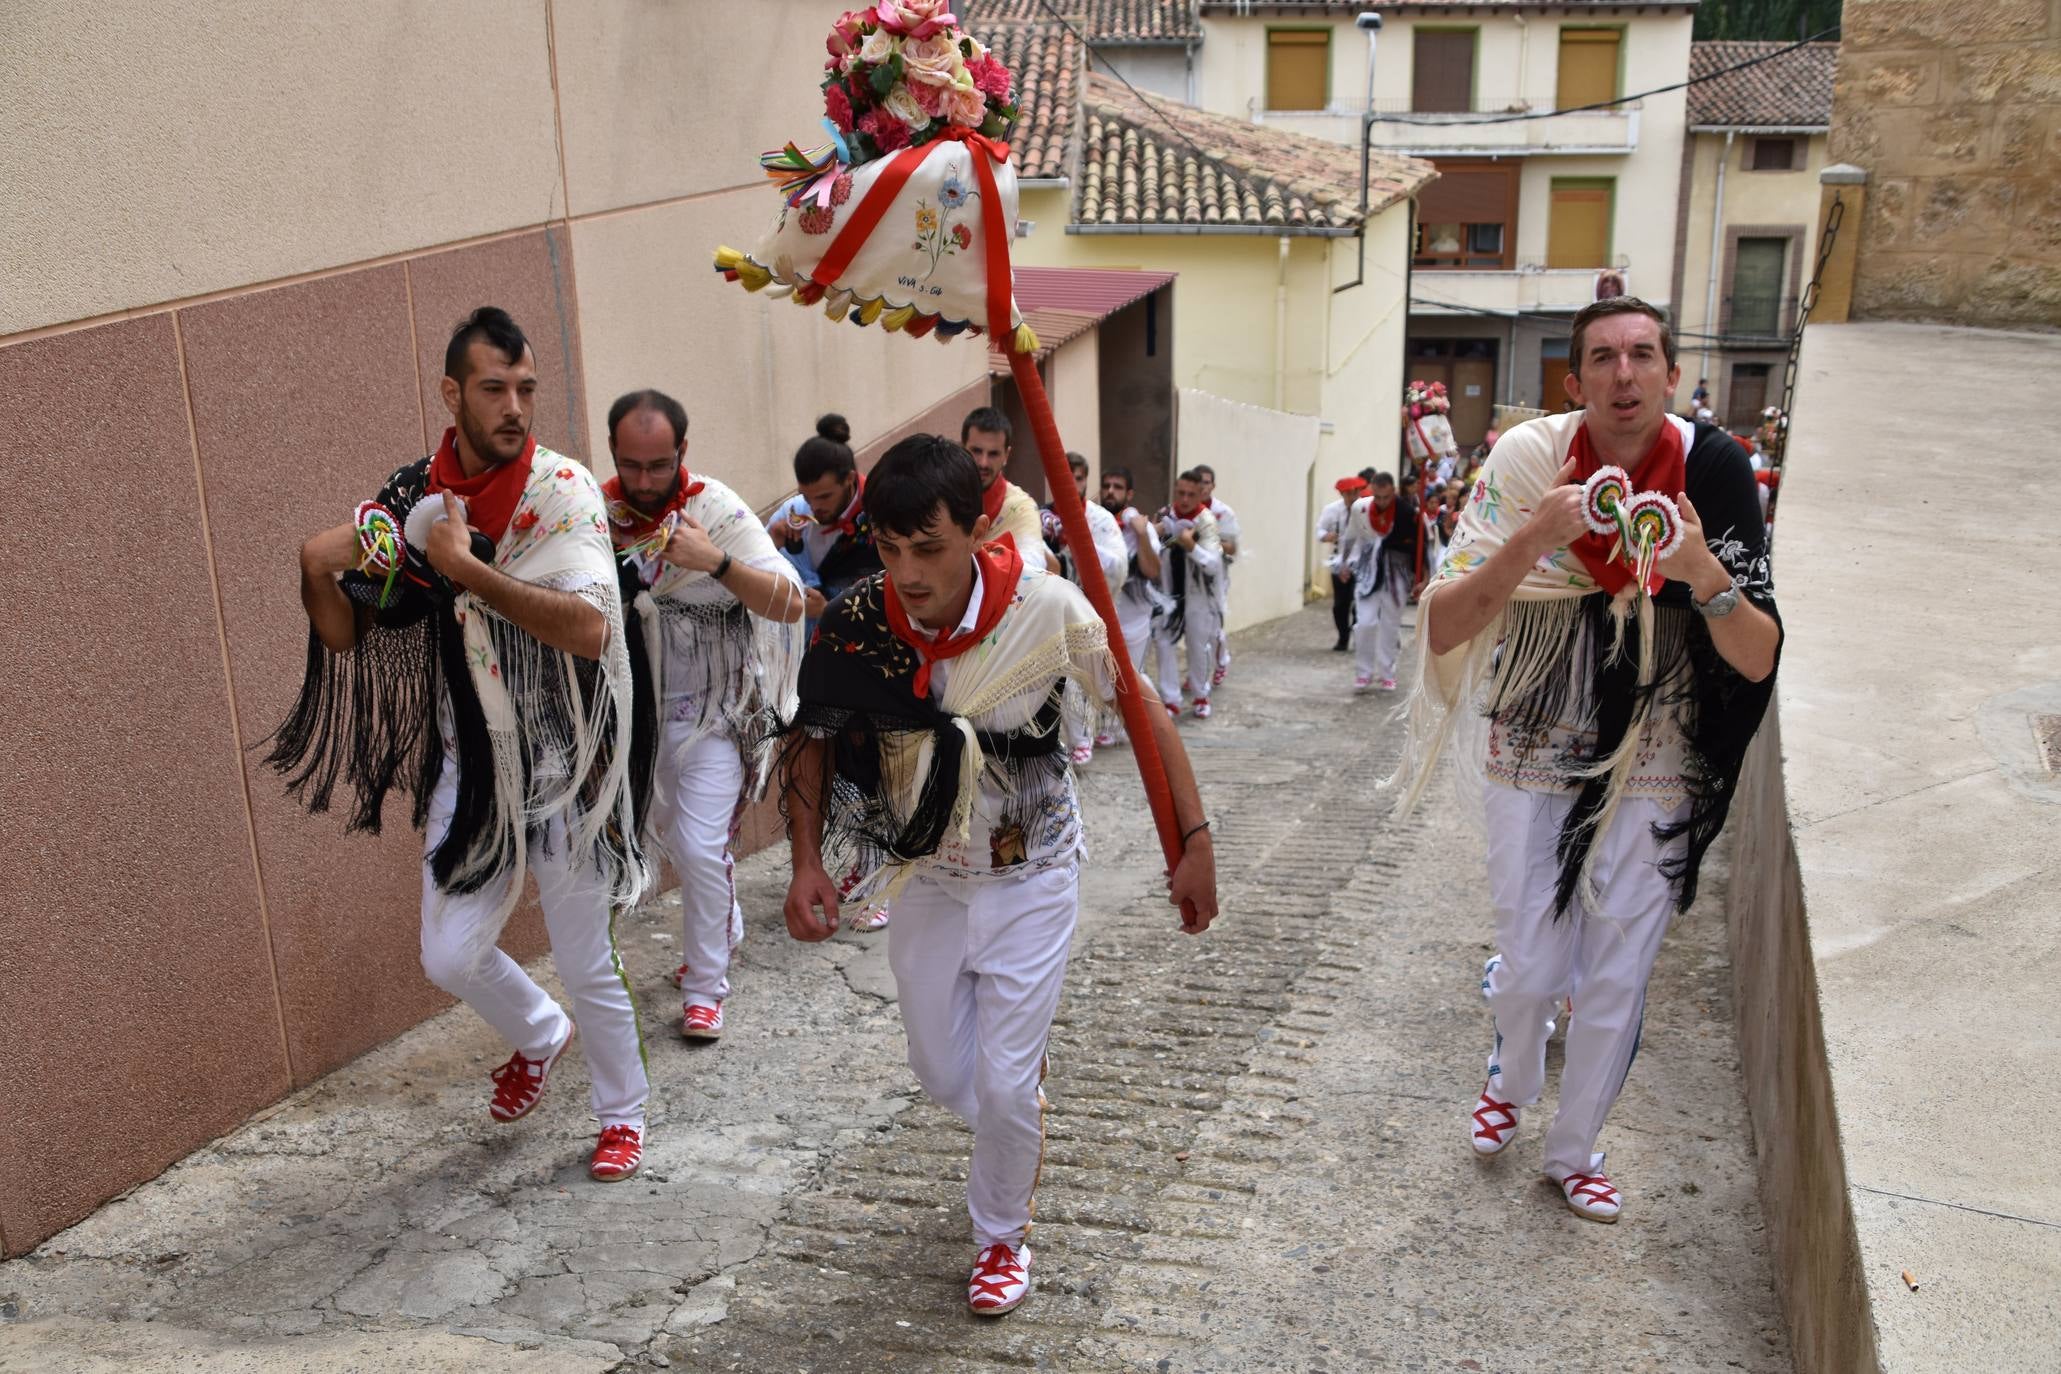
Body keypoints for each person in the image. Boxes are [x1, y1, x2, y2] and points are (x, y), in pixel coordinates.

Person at [777, 435, 1219, 1317]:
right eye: (891, 548)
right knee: (944, 1074)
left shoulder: (1046, 607)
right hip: (927, 875)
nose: (907, 571)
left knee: (1008, 1085)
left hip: (1032, 872)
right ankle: (1013, 1116)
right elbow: (810, 737)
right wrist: (802, 866)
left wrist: (1193, 841)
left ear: (978, 532)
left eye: (929, 548)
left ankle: (999, 1237)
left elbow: (1141, 709)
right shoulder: (860, 620)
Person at [1393, 296, 1781, 1224]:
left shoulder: (1714, 470)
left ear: (1670, 375)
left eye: (1642, 355)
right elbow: (1444, 622)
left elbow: (1760, 654)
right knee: (1529, 968)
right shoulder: (1528, 461)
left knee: (1615, 972)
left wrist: (1700, 574)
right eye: (1602, 358)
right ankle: (1510, 1070)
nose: (1622, 374)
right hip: (1534, 726)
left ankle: (1575, 1150)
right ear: (1572, 383)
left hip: (1658, 740)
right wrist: (1535, 537)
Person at [269, 307, 652, 1182]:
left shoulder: (562, 490)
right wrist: (313, 564)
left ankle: (622, 1114)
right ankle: (538, 1032)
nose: (514, 406)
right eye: (493, 388)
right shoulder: (415, 494)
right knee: (446, 952)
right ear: (452, 394)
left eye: (525, 388)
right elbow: (343, 637)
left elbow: (592, 629)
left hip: (569, 758)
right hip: (472, 755)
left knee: (586, 954)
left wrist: (468, 570)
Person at [605, 389, 807, 1041]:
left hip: (719, 711)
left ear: (682, 454)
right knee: (674, 841)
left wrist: (714, 562)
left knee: (699, 845)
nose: (641, 482)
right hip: (637, 716)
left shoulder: (713, 510)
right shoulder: (592, 511)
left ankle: (705, 987)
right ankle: (726, 932)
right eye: (629, 465)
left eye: (657, 466)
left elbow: (789, 601)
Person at [1043, 451, 1128, 767]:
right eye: (1065, 475)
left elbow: (1119, 566)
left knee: (1095, 675)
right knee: (1063, 679)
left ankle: (1096, 733)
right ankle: (1075, 739)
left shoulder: (1100, 520)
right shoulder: (1040, 519)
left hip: (1091, 610)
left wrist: (1082, 544)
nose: (1071, 483)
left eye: (1078, 478)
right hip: (1054, 610)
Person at [1095, 465, 1164, 747]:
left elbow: (1151, 570)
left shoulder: (1140, 528)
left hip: (1134, 618)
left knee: (1131, 676)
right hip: (1100, 616)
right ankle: (1108, 726)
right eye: (1107, 485)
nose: (1111, 491)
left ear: (1129, 493)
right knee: (1101, 676)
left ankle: (1143, 724)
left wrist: (1143, 534)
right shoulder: (1094, 522)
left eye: (1118, 487)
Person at [1338, 472, 1423, 693]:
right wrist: (1344, 564)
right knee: (1364, 622)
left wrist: (1421, 578)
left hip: (1397, 571)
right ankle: (1363, 672)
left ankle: (1387, 671)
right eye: (1377, 497)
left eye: (1386, 497)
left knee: (1390, 623)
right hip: (1368, 570)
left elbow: (1421, 547)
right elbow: (1350, 536)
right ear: (1372, 492)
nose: (1382, 502)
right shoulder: (1360, 508)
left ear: (1393, 491)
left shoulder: (1408, 512)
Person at [1152, 470, 1226, 720]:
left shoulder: (1207, 521)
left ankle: (1200, 695)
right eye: (1181, 493)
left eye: (1191, 495)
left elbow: (1213, 564)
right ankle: (1171, 699)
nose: (1184, 499)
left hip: (1199, 595)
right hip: (1168, 592)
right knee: (1163, 643)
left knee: (1198, 646)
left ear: (1200, 495)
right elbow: (1152, 546)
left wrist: (1191, 546)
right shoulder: (1165, 515)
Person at [960, 406, 1056, 571]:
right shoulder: (943, 494)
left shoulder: (1020, 507)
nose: (983, 463)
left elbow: (1029, 567)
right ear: (962, 448)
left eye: (993, 454)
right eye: (976, 451)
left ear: (1006, 455)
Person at [1193, 464, 1240, 688]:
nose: (1202, 486)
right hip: (1188, 578)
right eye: (1198, 481)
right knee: (1191, 628)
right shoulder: (1182, 509)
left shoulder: (1223, 513)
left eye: (1206, 482)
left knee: (1213, 627)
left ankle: (1221, 662)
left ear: (1213, 485)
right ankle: (1197, 673)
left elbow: (1232, 547)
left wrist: (1205, 542)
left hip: (1215, 576)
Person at [1315, 475, 1365, 652]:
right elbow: (1319, 530)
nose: (1352, 497)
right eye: (1348, 494)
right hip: (1339, 562)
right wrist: (1326, 536)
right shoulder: (1332, 510)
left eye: (1355, 493)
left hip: (1362, 562)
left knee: (1360, 603)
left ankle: (1360, 637)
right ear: (1342, 494)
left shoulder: (1366, 508)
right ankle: (1343, 636)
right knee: (1340, 605)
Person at [1402, 380, 1460, 486]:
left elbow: (1444, 406)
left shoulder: (1438, 401)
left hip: (1434, 432)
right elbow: (1414, 412)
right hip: (1422, 433)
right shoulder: (1418, 401)